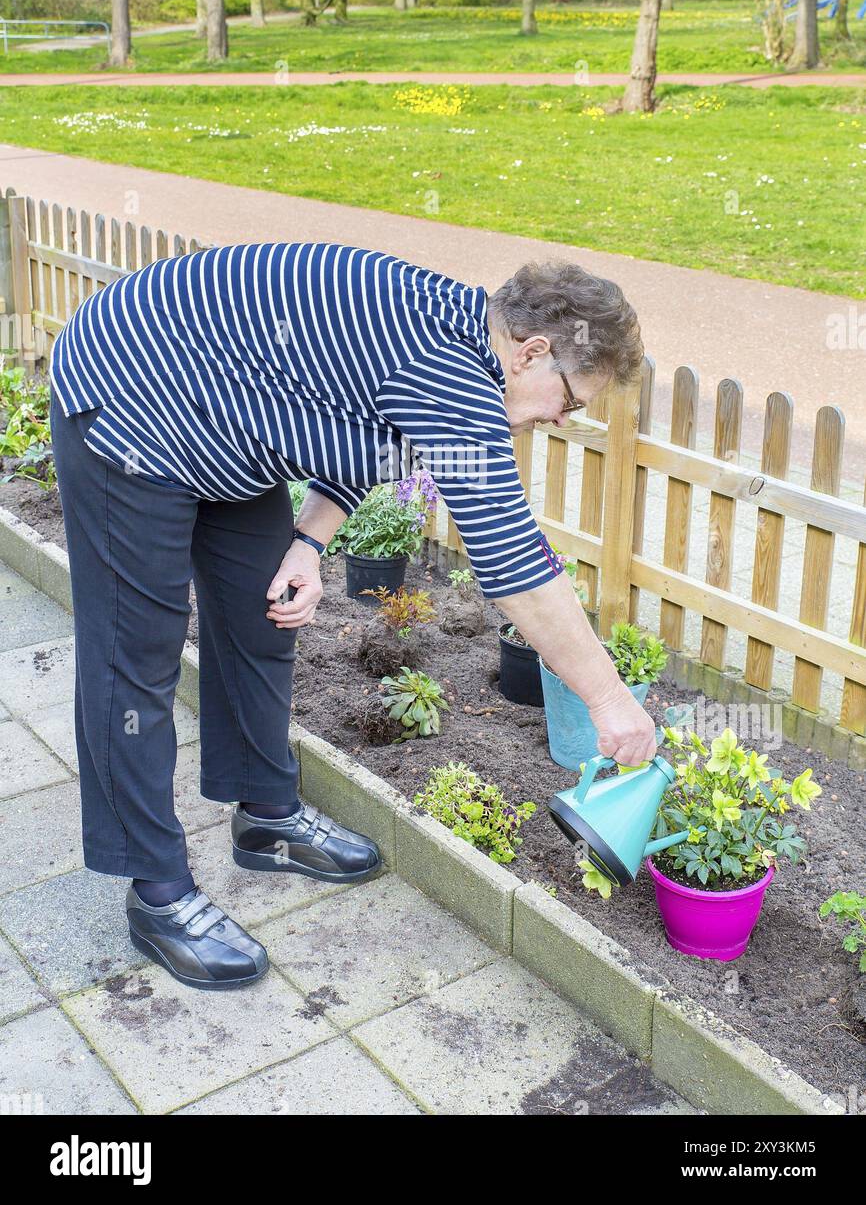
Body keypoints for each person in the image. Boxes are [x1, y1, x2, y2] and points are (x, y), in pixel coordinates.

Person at [48, 241, 657, 991]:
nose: (563, 420)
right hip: (131, 400)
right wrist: (608, 699)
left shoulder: (461, 340)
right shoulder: (456, 377)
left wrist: (308, 541)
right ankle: (157, 889)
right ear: (532, 352)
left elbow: (360, 419)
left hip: (226, 412)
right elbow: (515, 567)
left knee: (264, 613)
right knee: (134, 657)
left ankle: (267, 816)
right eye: (570, 401)